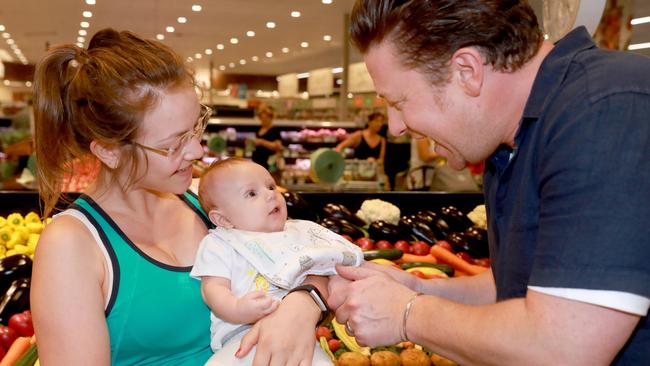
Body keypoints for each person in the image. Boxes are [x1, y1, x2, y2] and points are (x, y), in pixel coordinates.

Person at [328, 1, 650, 365]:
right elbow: (519, 286)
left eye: (400, 101)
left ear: (467, 71)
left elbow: (563, 349)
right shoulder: (509, 142)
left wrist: (407, 314)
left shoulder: (605, 110)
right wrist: (421, 288)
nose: (395, 127)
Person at [30, 28, 329, 366]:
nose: (197, 150)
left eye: (197, 128)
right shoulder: (72, 245)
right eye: (173, 144)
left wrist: (304, 303)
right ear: (109, 151)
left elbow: (312, 254)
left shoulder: (209, 201)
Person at [193, 158, 363, 365]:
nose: (270, 194)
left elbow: (334, 265)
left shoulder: (300, 233)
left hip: (298, 338)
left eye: (271, 186)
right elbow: (212, 288)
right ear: (224, 220)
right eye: (252, 193)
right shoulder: (220, 244)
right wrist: (237, 308)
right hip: (241, 341)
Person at [251, 105, 283, 172]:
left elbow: (278, 146)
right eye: (262, 118)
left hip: (269, 163)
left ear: (270, 118)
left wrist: (262, 142)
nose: (263, 120)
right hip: (257, 162)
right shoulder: (259, 129)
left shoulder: (274, 130)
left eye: (266, 118)